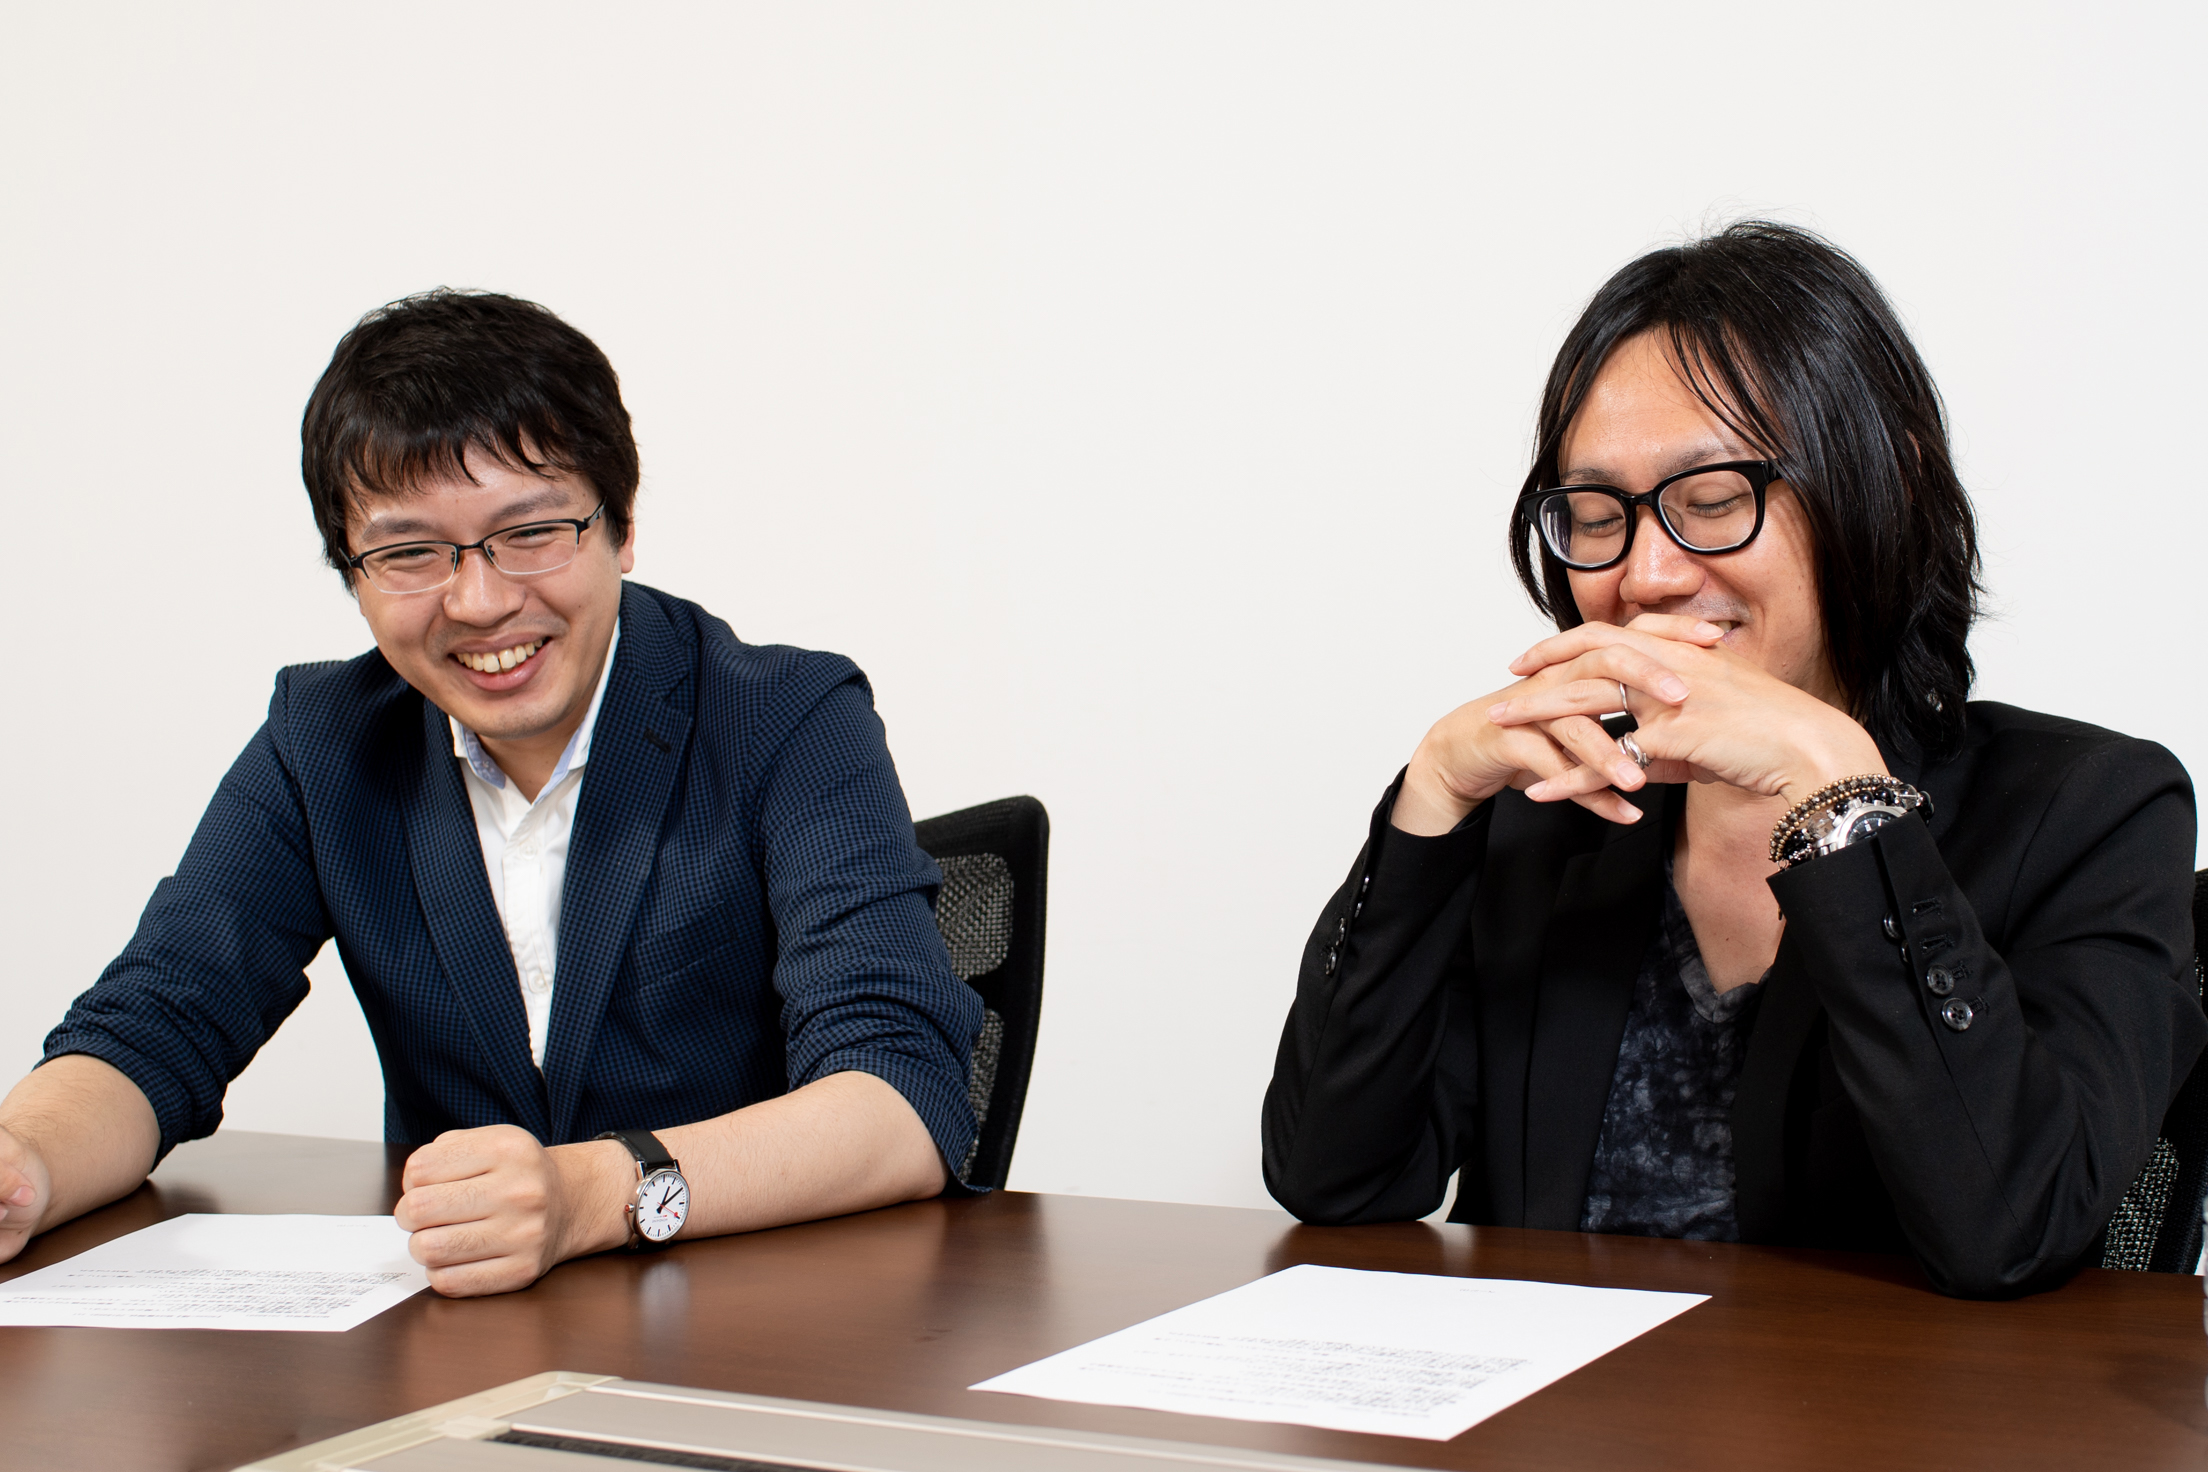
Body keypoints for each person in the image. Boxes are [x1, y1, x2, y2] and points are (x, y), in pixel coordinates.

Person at [1260, 222, 2203, 1298]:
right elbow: (1336, 1177)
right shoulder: (1551, 812)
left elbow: (2014, 1228)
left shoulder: (2092, 809)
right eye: (1596, 516)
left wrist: (1837, 794)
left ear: (1888, 484)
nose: (1648, 574)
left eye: (1711, 501)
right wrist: (1431, 801)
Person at [0, 290, 983, 1296]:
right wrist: (24, 1161)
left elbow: (901, 1098)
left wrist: (593, 1193)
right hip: (467, 1333)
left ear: (622, 526)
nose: (479, 601)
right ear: (352, 572)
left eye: (532, 532)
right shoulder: (324, 742)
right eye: (409, 553)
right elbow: (155, 1024)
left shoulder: (786, 717)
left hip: (765, 1317)